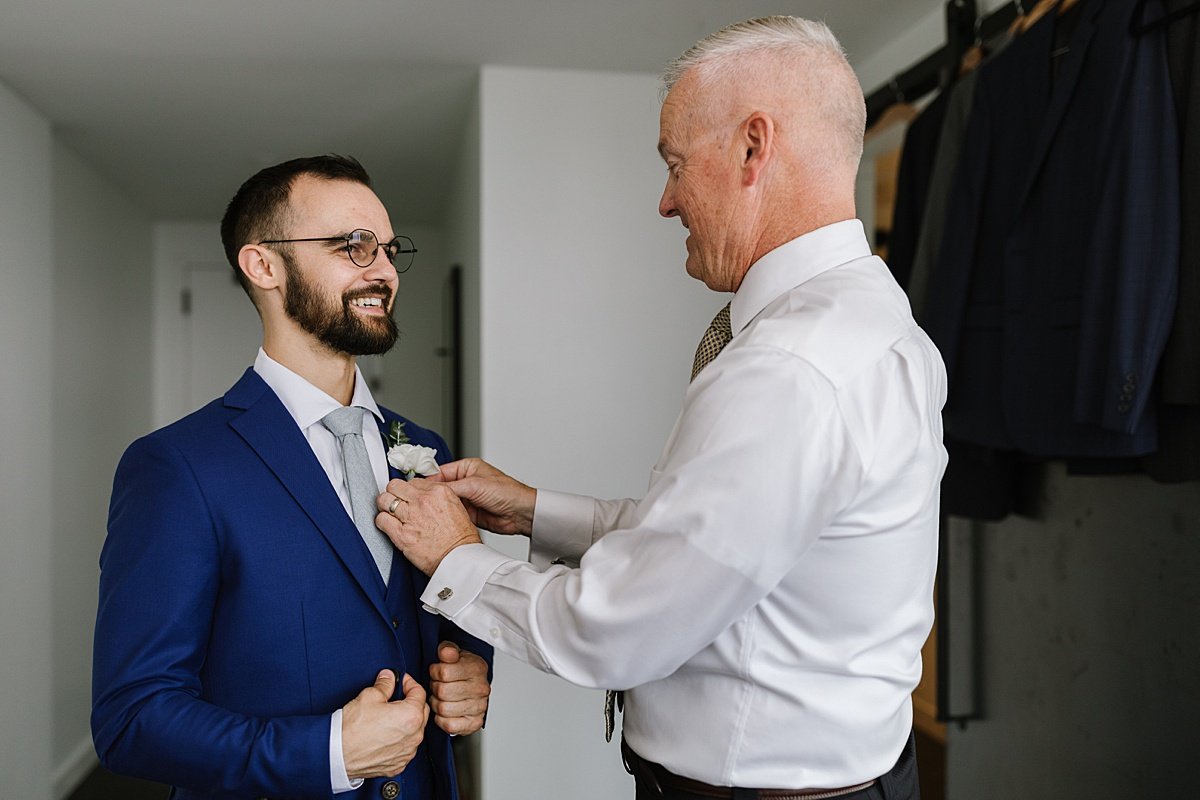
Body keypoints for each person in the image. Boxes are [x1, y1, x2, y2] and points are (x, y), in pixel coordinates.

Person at [375, 16, 946, 800]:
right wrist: (535, 512)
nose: (666, 201)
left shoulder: (792, 370)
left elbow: (625, 624)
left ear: (754, 147)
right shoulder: (871, 323)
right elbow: (712, 544)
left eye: (675, 164)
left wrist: (458, 562)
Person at [92, 155, 493, 800]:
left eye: (389, 250)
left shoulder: (422, 446)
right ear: (264, 265)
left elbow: (439, 620)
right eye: (353, 246)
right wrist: (331, 751)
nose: (384, 271)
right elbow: (131, 719)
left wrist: (471, 671)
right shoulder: (176, 468)